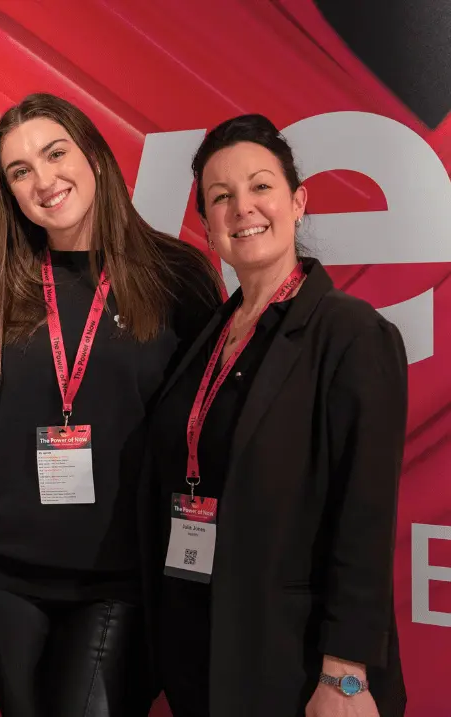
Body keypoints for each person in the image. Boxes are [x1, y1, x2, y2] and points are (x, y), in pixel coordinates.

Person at [0, 93, 221, 716]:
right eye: (20, 172)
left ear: (95, 156)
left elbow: (205, 423)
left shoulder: (176, 276)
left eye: (55, 154)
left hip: (121, 575)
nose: (43, 181)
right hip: (3, 573)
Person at [138, 113, 408, 717]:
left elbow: (364, 518)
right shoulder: (207, 335)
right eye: (221, 197)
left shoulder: (352, 335)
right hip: (200, 645)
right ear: (206, 223)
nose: (243, 208)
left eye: (261, 186)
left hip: (291, 660)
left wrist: (346, 674)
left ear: (298, 201)